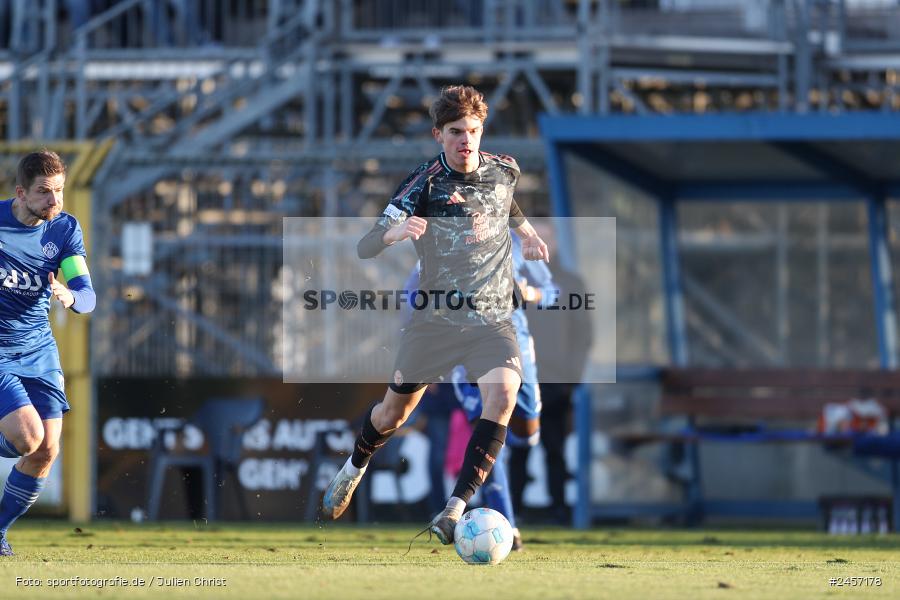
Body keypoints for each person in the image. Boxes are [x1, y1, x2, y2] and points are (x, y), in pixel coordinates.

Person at [321, 85, 549, 544]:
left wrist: (526, 233)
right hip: (436, 322)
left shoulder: (505, 169)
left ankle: (455, 508)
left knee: (504, 395)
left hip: (491, 319)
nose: (466, 140)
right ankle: (354, 466)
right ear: (438, 135)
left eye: (473, 131)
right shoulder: (422, 184)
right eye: (456, 132)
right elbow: (366, 245)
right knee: (393, 414)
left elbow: (506, 202)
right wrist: (395, 233)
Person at [0, 150, 96, 556]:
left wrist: (70, 296)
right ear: (21, 193)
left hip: (38, 350)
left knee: (45, 451)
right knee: (28, 437)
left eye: (59, 190)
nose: (54, 200)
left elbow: (87, 295)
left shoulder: (64, 229)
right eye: (44, 192)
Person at [510, 219, 592, 523]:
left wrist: (573, 375)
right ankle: (512, 511)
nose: (538, 243)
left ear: (554, 244)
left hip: (557, 381)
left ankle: (559, 509)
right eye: (533, 237)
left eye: (545, 238)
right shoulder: (510, 277)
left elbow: (583, 334)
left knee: (555, 448)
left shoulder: (570, 283)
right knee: (518, 447)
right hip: (519, 376)